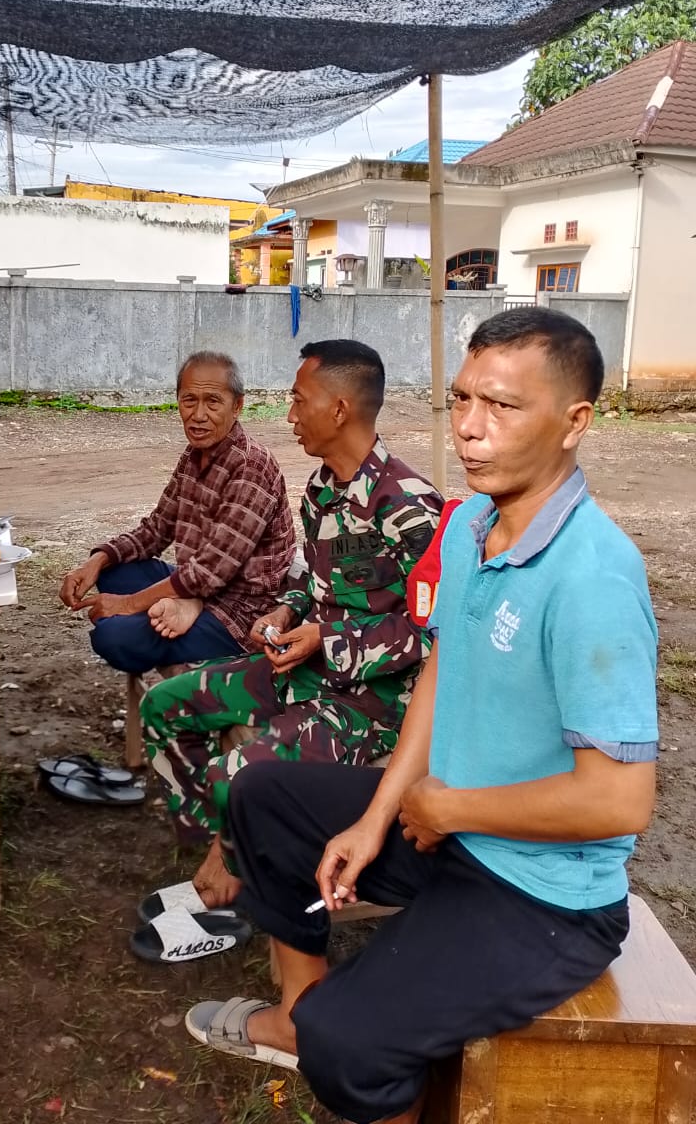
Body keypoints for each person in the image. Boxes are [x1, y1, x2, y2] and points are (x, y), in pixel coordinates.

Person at [187, 308, 659, 1124]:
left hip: (545, 896)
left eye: (502, 406)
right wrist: (377, 819)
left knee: (348, 1044)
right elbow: (444, 665)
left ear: (574, 421)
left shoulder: (594, 577)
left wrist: (448, 807)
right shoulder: (471, 523)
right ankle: (296, 1017)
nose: (470, 428)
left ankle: (331, 1040)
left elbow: (619, 801)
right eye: (462, 399)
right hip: (448, 832)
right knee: (261, 795)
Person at [142, 340, 443, 910]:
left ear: (339, 410)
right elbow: (316, 581)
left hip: (374, 703)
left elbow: (433, 634)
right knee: (164, 705)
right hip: (304, 670)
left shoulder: (407, 505)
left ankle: (235, 874)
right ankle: (224, 844)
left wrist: (326, 640)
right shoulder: (323, 490)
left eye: (299, 400)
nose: (289, 415)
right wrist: (286, 611)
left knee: (237, 775)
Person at [59, 351, 295, 675]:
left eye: (213, 402)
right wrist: (96, 561)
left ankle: (185, 612)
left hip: (239, 613)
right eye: (189, 401)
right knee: (112, 572)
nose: (198, 415)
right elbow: (156, 530)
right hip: (199, 587)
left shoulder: (252, 466)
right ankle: (182, 605)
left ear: (237, 406)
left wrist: (126, 605)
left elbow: (208, 573)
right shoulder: (194, 455)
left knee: (112, 637)